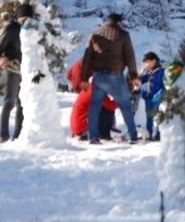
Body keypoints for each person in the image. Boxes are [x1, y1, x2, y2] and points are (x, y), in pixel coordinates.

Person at [81, 13, 140, 144]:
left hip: (98, 76)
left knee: (95, 106)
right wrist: (134, 76)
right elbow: (130, 56)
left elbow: (87, 58)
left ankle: (93, 136)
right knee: (125, 105)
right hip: (115, 76)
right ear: (119, 23)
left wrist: (84, 78)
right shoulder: (123, 34)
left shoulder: (95, 33)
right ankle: (133, 136)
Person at [0, 5, 34, 142]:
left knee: (21, 103)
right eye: (25, 18)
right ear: (20, 16)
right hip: (10, 68)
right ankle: (3, 134)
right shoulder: (11, 27)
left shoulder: (28, 29)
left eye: (29, 18)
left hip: (23, 70)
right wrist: (2, 58)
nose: (27, 21)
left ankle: (18, 134)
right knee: (9, 101)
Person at [66, 58, 117, 140]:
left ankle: (103, 130)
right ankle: (103, 134)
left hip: (77, 126)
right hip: (82, 128)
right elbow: (110, 105)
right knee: (106, 109)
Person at [138, 52, 166, 141]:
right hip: (148, 97)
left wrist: (159, 94)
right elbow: (140, 80)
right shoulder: (148, 71)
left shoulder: (160, 71)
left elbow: (160, 85)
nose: (146, 64)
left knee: (158, 116)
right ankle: (149, 134)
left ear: (154, 61)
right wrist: (141, 73)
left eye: (147, 62)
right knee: (149, 116)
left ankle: (159, 134)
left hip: (156, 97)